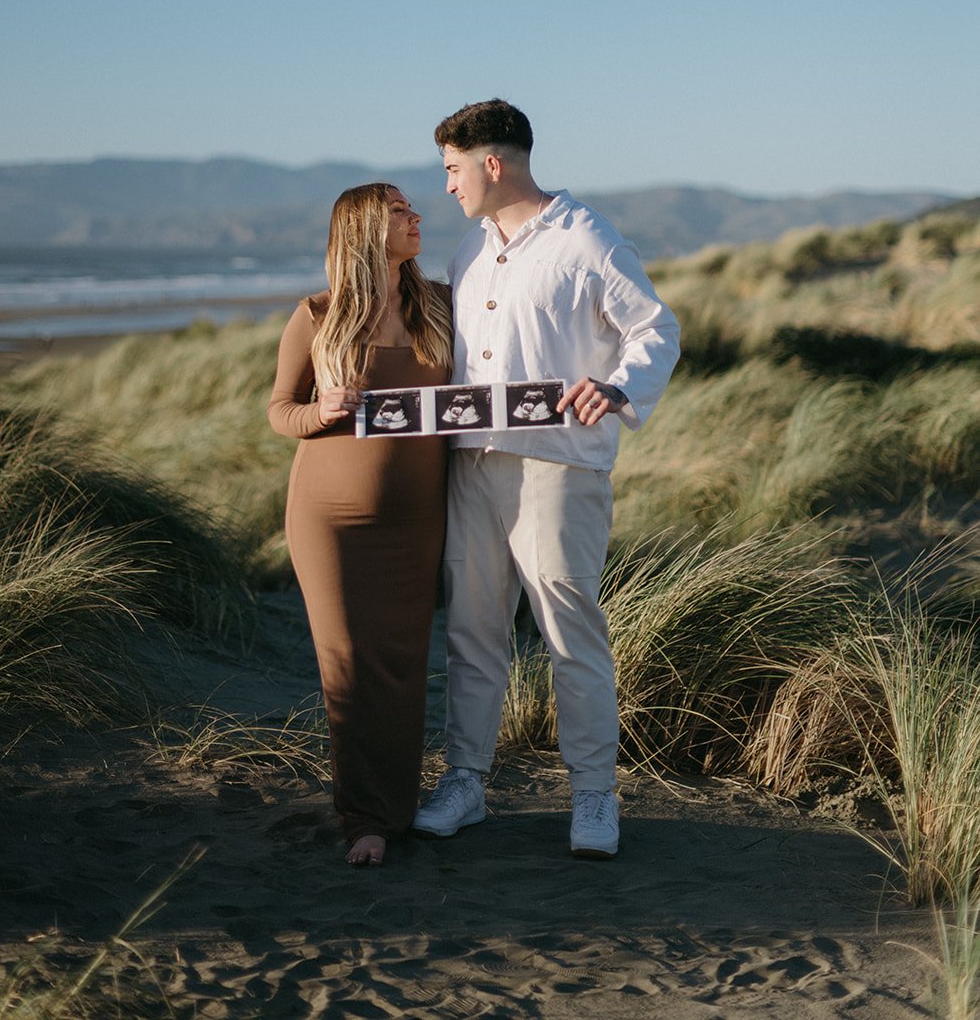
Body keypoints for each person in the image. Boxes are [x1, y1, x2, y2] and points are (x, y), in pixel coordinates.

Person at [413, 100, 680, 859]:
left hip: (559, 465)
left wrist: (620, 387)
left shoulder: (585, 238)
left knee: (569, 629)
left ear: (491, 164)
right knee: (472, 629)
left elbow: (655, 327)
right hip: (471, 463)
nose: (449, 187)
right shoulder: (470, 251)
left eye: (453, 170)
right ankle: (464, 782)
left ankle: (594, 795)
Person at [268, 183, 453, 866]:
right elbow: (280, 409)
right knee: (346, 664)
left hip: (417, 521)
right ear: (365, 230)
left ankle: (394, 809)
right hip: (329, 520)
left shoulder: (437, 307)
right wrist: (320, 413)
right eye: (401, 212)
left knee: (400, 667)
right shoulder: (316, 317)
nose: (416, 218)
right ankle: (364, 821)